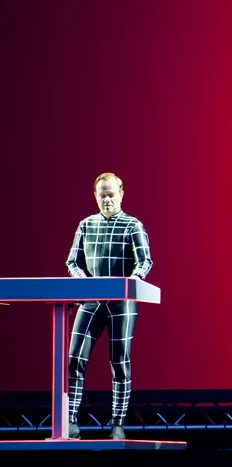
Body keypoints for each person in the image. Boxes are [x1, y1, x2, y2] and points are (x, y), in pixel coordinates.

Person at [65, 173, 153, 440]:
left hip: (121, 302)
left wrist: (132, 282)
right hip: (91, 300)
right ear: (95, 195)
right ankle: (69, 421)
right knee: (74, 359)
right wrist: (83, 283)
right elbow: (72, 262)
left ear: (121, 193)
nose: (107, 200)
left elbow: (145, 261)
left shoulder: (132, 225)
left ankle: (117, 424)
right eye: (102, 195)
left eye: (111, 194)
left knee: (119, 362)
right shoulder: (86, 225)